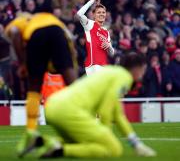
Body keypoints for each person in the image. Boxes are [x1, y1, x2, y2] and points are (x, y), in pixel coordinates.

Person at [21, 52, 156, 158]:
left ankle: (40, 141)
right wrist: (106, 135)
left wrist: (135, 143)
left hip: (53, 106)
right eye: (143, 70)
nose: (142, 75)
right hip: (69, 111)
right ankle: (60, 150)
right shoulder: (124, 78)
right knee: (114, 149)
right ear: (137, 68)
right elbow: (105, 111)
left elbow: (118, 114)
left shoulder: (110, 72)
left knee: (79, 143)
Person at [5, 12, 77, 157]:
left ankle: (31, 132)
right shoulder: (51, 19)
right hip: (58, 33)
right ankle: (85, 124)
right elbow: (70, 43)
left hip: (37, 36)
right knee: (73, 85)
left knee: (34, 87)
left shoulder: (17, 23)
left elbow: (14, 33)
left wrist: (22, 63)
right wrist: (70, 63)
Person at [76, 0, 114, 75]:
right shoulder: (90, 24)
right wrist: (92, 1)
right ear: (93, 15)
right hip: (93, 66)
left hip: (104, 66)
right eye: (99, 12)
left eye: (103, 12)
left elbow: (112, 53)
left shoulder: (106, 32)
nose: (101, 14)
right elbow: (79, 14)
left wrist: (109, 46)